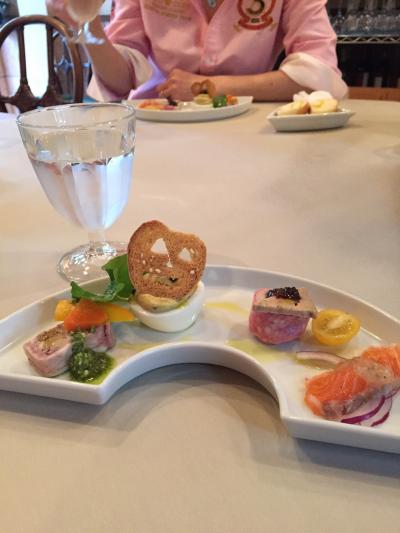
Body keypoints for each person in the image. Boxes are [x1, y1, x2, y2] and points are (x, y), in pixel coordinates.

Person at [47, 0, 347, 102]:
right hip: (156, 131)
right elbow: (121, 81)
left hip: (249, 132)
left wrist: (207, 88)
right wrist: (86, 25)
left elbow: (321, 76)